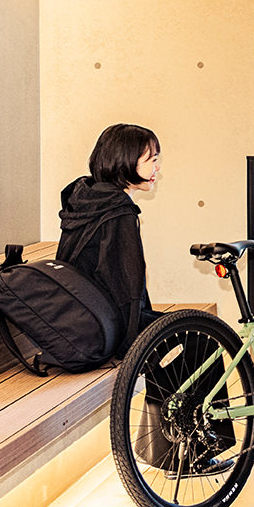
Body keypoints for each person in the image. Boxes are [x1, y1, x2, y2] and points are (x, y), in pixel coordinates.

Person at [57, 123, 165, 357]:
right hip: (105, 328)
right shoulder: (118, 212)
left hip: (81, 319)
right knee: (201, 341)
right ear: (126, 160)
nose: (157, 168)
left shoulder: (87, 198)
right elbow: (127, 287)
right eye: (152, 160)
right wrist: (135, 344)